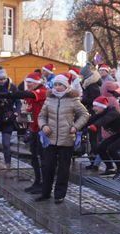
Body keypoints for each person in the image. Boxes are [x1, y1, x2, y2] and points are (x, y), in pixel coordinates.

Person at [0, 72, 48, 195]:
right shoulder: (31, 94)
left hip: (43, 129)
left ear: (37, 83)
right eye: (27, 82)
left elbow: (23, 94)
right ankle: (37, 182)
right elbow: (28, 109)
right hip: (34, 128)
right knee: (34, 158)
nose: (28, 85)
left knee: (41, 158)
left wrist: (2, 94)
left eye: (30, 82)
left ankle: (44, 185)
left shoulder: (42, 91)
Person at [36, 74, 89, 203]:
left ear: (66, 86)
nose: (57, 87)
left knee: (63, 168)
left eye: (60, 85)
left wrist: (75, 127)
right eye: (55, 84)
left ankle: (59, 194)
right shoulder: (49, 99)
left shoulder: (73, 100)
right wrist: (43, 126)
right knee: (47, 166)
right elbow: (41, 116)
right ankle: (45, 192)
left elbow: (85, 114)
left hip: (67, 139)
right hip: (50, 138)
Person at [85, 96, 120, 175]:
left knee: (112, 149)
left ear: (102, 106)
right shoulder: (100, 113)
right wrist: (77, 127)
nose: (93, 108)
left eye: (95, 106)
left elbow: (105, 120)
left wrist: (95, 126)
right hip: (119, 134)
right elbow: (90, 121)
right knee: (101, 148)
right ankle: (110, 168)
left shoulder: (112, 112)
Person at [0, 68, 20, 169]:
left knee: (6, 143)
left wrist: (16, 113)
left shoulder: (13, 87)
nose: (2, 81)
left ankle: (8, 165)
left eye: (4, 79)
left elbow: (18, 102)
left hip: (8, 119)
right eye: (0, 79)